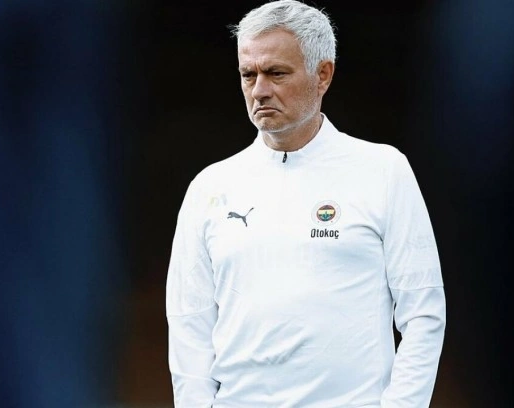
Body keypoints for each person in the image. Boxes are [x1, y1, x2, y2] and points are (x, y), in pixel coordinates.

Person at [165, 0, 446, 406]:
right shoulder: (210, 187)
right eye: (248, 74)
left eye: (276, 73)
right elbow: (188, 324)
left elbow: (423, 312)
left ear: (323, 75)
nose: (260, 90)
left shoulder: (383, 171)